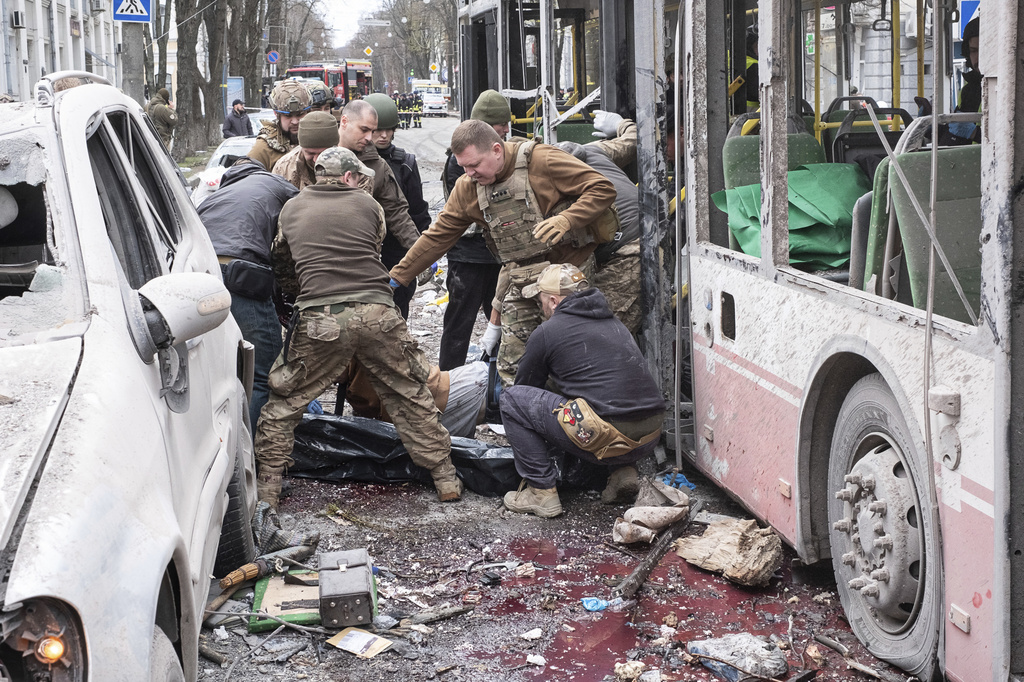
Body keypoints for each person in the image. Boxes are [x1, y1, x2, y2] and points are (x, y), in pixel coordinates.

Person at [255, 147, 462, 509]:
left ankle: (267, 489)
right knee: (409, 393)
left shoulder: (291, 208)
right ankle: (445, 478)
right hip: (377, 312)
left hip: (320, 317)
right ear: (349, 177)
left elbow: (283, 262)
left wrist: (301, 290)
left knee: (286, 401)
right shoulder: (370, 206)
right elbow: (373, 247)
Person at [389, 119, 617, 384]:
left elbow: (601, 188)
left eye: (474, 165)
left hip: (566, 274)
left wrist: (568, 219)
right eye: (463, 167)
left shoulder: (542, 161)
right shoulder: (467, 188)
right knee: (512, 365)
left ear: (497, 150)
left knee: (570, 355)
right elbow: (437, 237)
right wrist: (397, 278)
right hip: (522, 276)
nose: (469, 173)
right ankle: (518, 407)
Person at [500, 264, 666, 518]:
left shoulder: (547, 332)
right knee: (606, 397)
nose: (540, 306)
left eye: (541, 299)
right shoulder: (615, 323)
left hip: (603, 437)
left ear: (553, 301)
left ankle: (541, 492)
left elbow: (526, 389)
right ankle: (623, 472)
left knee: (512, 400)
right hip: (649, 436)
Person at [197, 157, 298, 429]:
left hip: (199, 279)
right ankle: (254, 448)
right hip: (242, 278)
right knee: (265, 373)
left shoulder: (212, 199)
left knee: (214, 372)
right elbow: (303, 223)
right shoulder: (276, 184)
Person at [437, 90, 513, 371]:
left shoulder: (498, 154)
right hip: (468, 256)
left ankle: (496, 376)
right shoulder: (463, 162)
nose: (506, 130)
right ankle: (448, 380)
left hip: (496, 255)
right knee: (459, 323)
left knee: (502, 319)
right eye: (501, 125)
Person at [365, 92, 431, 317]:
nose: (384, 136)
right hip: (365, 248)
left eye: (389, 130)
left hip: (398, 248)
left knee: (398, 312)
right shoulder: (350, 160)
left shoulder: (405, 163)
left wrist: (422, 250)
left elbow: (417, 211)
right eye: (377, 131)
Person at [337, 100, 421, 275]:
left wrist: (420, 254)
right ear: (344, 122)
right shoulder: (315, 154)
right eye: (364, 130)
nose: (370, 137)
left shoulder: (377, 166)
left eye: (372, 131)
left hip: (363, 260)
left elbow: (397, 212)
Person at [247, 80, 312, 173]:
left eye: (300, 114)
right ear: (276, 114)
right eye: (288, 116)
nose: (295, 122)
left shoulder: (319, 139)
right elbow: (244, 176)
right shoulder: (264, 148)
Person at [272, 111, 340, 191]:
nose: (316, 159)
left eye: (323, 153)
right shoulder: (284, 169)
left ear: (336, 148)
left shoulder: (349, 165)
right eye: (311, 153)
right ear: (302, 148)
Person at [745, 29, 759, 112]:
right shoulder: (753, 64)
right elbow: (756, 94)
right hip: (749, 111)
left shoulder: (727, 56)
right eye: (757, 46)